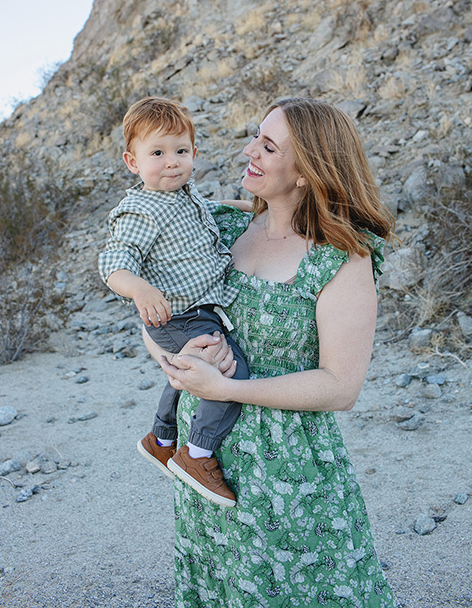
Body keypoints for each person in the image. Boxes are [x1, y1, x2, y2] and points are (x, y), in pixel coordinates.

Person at [146, 97, 397, 606]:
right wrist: (173, 358)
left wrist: (226, 387)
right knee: (222, 585)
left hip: (289, 465)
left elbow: (340, 386)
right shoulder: (221, 225)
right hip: (206, 456)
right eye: (255, 136)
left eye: (267, 145)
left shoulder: (342, 259)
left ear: (307, 170)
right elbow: (151, 306)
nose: (248, 150)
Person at [98, 97, 250, 508]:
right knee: (227, 370)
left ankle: (161, 438)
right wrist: (141, 290)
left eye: (181, 151)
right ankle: (197, 455)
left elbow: (211, 210)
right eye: (158, 153)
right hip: (178, 313)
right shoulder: (139, 210)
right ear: (133, 161)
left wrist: (256, 208)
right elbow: (113, 262)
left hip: (194, 310)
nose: (172, 162)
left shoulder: (185, 194)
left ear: (194, 154)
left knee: (184, 372)